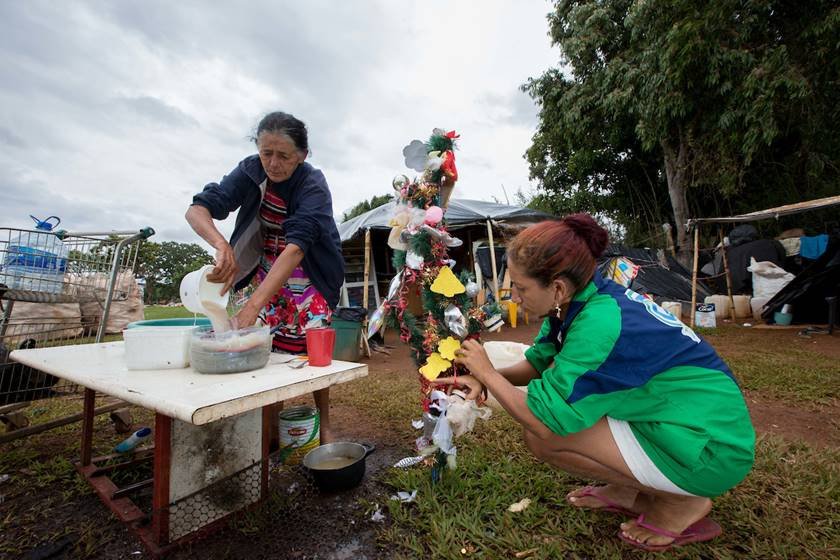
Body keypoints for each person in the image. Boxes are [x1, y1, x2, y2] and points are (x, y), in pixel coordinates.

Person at [436, 214, 755, 552]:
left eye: (521, 287)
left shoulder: (598, 323)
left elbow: (544, 420)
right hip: (682, 423)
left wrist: (487, 372)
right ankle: (628, 491)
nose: (514, 297)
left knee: (543, 437)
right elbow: (537, 362)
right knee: (552, 426)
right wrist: (482, 378)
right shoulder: (581, 301)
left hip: (713, 449)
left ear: (557, 287)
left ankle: (682, 502)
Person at [186, 111, 345, 443]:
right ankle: (270, 428)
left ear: (301, 155)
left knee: (313, 351)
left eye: (283, 156)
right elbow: (197, 210)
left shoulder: (312, 184)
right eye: (266, 153)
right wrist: (221, 245)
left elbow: (298, 247)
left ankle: (325, 425)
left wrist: (253, 305)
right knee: (266, 349)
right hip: (265, 267)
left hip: (307, 273)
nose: (273, 163)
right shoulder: (249, 171)